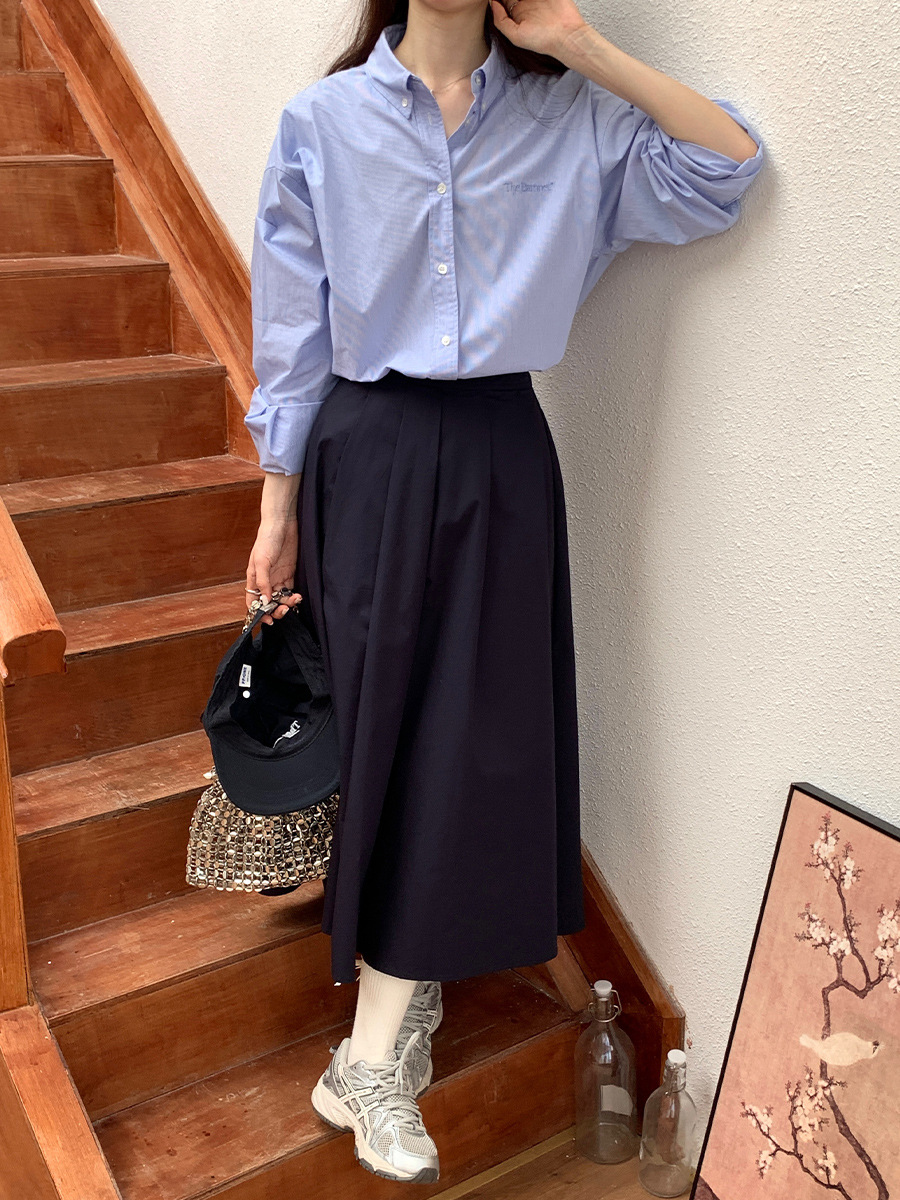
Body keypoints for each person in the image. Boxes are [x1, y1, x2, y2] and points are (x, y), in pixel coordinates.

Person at [242, 0, 764, 1184]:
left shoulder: (569, 119)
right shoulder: (324, 122)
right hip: (366, 454)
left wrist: (581, 47)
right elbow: (293, 329)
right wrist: (275, 509)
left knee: (475, 738)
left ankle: (374, 1042)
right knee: (389, 728)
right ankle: (378, 1039)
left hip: (500, 454)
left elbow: (729, 165)